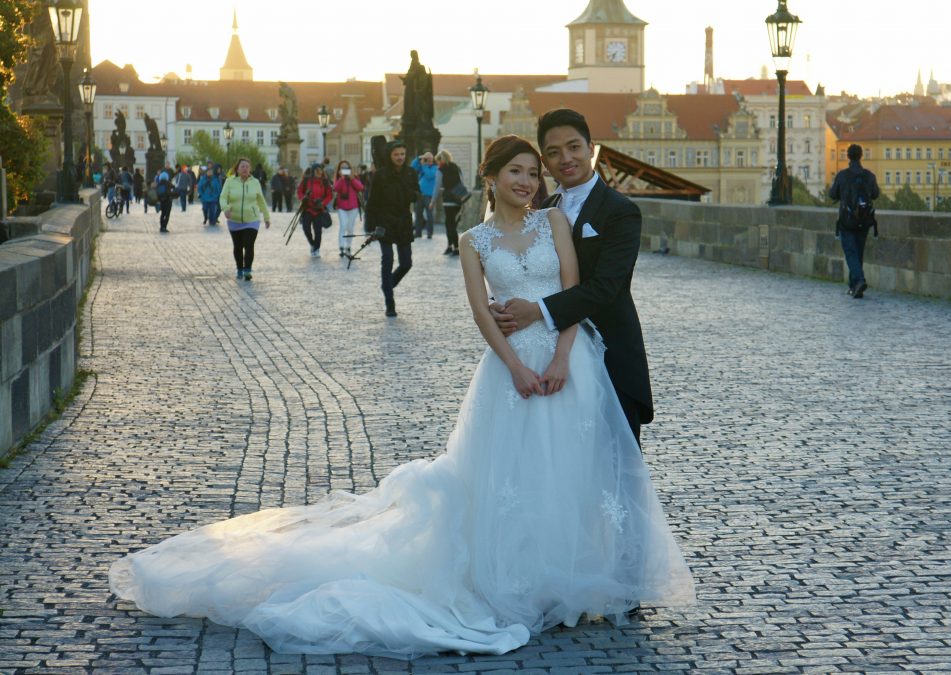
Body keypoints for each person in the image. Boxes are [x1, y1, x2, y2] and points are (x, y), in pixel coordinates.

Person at [108, 134, 695, 658]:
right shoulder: (473, 240)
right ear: (492, 178)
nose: (527, 181)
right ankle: (524, 583)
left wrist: (564, 355)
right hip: (511, 372)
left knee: (571, 472)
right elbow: (482, 318)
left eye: (532, 173)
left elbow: (575, 293)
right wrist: (515, 366)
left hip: (572, 362)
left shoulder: (554, 224)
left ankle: (572, 582)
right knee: (512, 478)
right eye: (517, 171)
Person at [492, 108, 654, 442]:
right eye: (553, 153)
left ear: (591, 148)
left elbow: (606, 288)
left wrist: (536, 310)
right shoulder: (544, 209)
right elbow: (525, 268)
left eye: (574, 147)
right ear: (545, 163)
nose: (565, 158)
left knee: (616, 469)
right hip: (548, 360)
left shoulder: (621, 211)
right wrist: (501, 304)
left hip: (610, 356)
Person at [365, 140, 418, 317]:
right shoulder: (380, 175)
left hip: (403, 221)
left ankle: (387, 284)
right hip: (385, 221)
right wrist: (370, 227)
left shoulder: (411, 173)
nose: (400, 157)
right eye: (396, 154)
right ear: (390, 155)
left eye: (402, 154)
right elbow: (372, 202)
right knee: (387, 259)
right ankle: (390, 302)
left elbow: (417, 195)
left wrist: (414, 194)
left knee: (406, 263)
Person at [828, 144, 880, 299]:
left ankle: (859, 280)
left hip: (847, 221)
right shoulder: (869, 175)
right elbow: (876, 194)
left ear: (848, 157)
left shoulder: (842, 176)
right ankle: (854, 286)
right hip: (864, 221)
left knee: (851, 252)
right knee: (858, 252)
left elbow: (832, 194)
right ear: (861, 156)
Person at [219, 157, 271, 281]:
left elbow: (261, 201)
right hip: (234, 219)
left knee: (249, 244)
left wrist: (266, 217)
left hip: (252, 220)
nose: (245, 169)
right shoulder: (230, 182)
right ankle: (239, 268)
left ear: (250, 169)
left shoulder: (255, 182)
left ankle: (247, 269)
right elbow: (222, 197)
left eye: (247, 167)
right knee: (237, 246)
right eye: (242, 166)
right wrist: (225, 209)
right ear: (237, 169)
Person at [432, 149, 466, 255]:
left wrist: (432, 201)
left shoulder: (440, 170)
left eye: (437, 161)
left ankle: (453, 247)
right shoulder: (456, 167)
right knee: (453, 223)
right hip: (458, 199)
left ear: (440, 160)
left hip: (448, 200)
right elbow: (462, 181)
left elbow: (437, 186)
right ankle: (453, 246)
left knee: (449, 223)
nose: (437, 163)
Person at [297, 164, 334, 257]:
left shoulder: (325, 182)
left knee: (318, 231)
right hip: (308, 208)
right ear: (313, 171)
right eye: (317, 170)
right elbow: (299, 191)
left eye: (320, 170)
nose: (319, 172)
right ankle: (312, 244)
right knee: (306, 228)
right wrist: (303, 198)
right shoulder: (306, 181)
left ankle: (316, 249)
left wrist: (323, 203)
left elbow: (329, 195)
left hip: (319, 209)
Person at [333, 160, 365, 258]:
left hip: (353, 206)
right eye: (342, 168)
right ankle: (341, 246)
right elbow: (335, 188)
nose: (344, 170)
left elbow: (360, 187)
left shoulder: (354, 177)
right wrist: (342, 179)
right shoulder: (339, 179)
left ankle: (348, 246)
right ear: (339, 170)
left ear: (350, 169)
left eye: (346, 168)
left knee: (350, 228)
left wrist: (352, 179)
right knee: (343, 225)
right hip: (341, 207)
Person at [411, 151, 438, 239]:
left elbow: (429, 175)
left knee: (429, 215)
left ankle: (429, 233)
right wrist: (418, 159)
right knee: (418, 214)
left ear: (433, 159)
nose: (428, 160)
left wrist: (424, 165)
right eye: (427, 158)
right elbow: (413, 169)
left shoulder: (435, 168)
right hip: (419, 194)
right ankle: (418, 232)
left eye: (430, 158)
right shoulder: (422, 166)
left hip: (429, 195)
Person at [155, 168, 173, 232]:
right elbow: (173, 191)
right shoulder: (169, 183)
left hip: (161, 201)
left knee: (162, 214)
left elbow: (156, 193)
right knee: (167, 214)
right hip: (168, 201)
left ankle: (161, 226)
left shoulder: (158, 184)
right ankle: (164, 227)